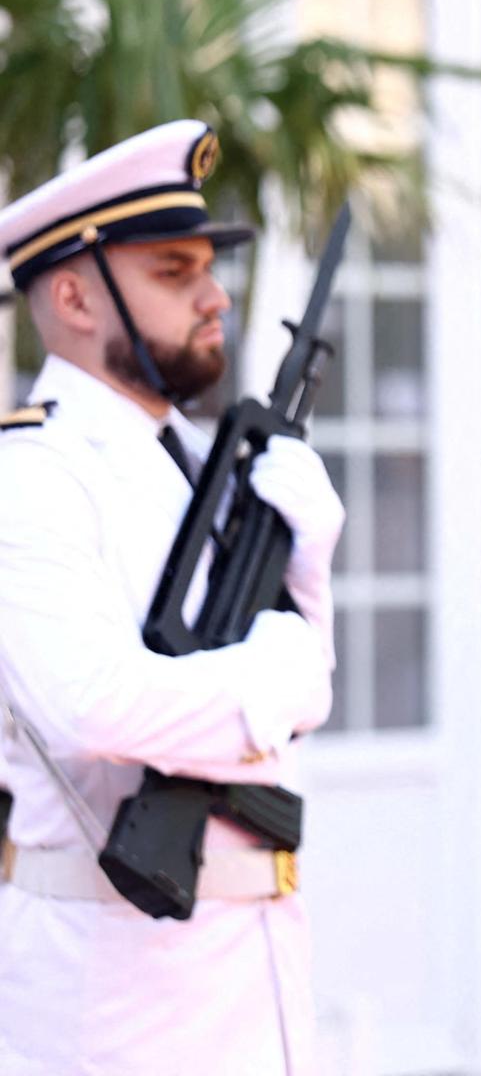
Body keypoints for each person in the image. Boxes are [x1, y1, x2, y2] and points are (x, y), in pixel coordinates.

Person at [0, 120, 343, 1074]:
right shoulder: (32, 474)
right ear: (74, 297)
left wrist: (308, 571)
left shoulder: (203, 457)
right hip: (114, 993)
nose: (214, 294)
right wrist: (276, 675)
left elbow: (298, 700)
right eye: (174, 271)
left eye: (209, 267)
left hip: (254, 968)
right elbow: (92, 703)